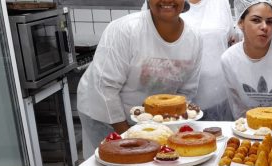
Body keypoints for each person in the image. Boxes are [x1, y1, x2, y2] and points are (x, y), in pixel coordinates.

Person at [77, 0, 202, 155]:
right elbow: (105, 88)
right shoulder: (125, 30)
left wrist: (165, 127)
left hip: (151, 122)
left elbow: (186, 92)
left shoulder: (194, 39)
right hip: (105, 116)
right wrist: (128, 135)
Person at [142, 0, 236, 120]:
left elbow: (231, 39)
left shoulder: (220, 3)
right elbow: (147, 41)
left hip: (217, 99)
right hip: (172, 99)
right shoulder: (162, 2)